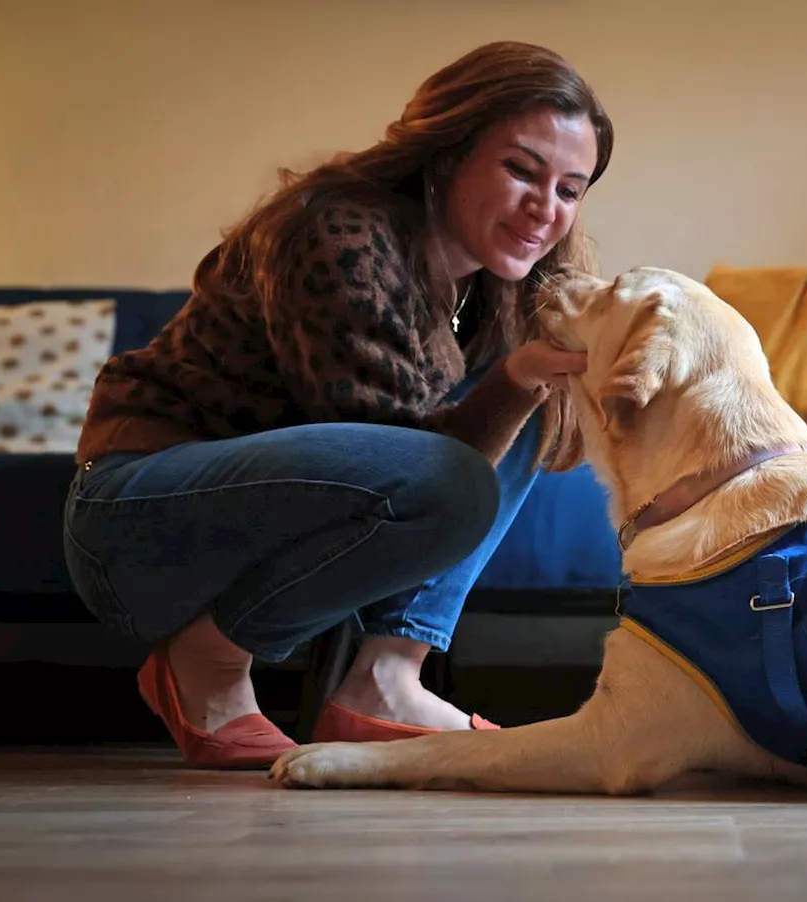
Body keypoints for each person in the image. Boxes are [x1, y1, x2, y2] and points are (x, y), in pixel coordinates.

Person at [61, 41, 614, 769]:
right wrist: (508, 386)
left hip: (265, 520)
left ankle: (385, 676)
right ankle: (208, 661)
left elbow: (461, 459)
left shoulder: (495, 289)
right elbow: (409, 468)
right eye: (520, 170)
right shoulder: (338, 231)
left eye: (570, 190)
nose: (545, 210)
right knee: (469, 450)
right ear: (446, 155)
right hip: (142, 521)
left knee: (531, 395)